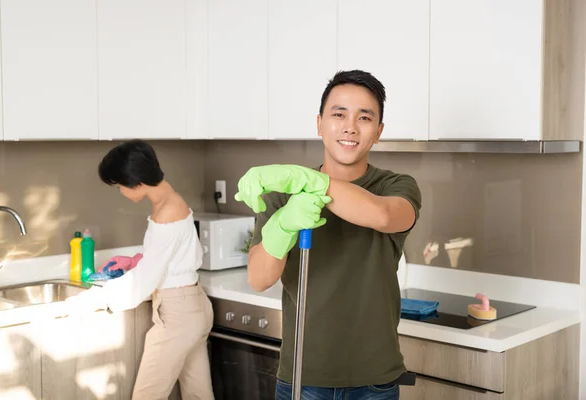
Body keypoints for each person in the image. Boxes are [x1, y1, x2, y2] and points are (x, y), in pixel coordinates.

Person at [234, 70, 422, 400]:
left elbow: (382, 214)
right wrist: (282, 226)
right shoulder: (281, 195)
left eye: (364, 118)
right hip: (302, 379)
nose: (350, 126)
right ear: (319, 124)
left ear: (378, 132)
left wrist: (308, 182)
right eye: (339, 114)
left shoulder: (396, 187)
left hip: (374, 382)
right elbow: (259, 278)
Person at [63, 139, 214, 400]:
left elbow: (141, 284)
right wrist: (136, 260)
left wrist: (94, 299)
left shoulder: (166, 213)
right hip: (195, 308)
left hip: (178, 316)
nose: (121, 191)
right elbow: (175, 256)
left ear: (137, 182)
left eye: (120, 186)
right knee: (199, 395)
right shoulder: (173, 200)